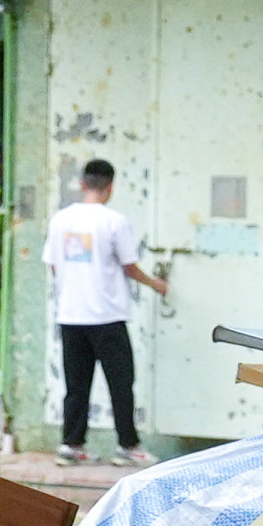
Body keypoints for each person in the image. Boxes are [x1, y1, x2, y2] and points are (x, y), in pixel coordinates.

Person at [45, 160, 169, 464]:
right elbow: (128, 265)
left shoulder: (60, 220)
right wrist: (155, 283)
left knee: (76, 384)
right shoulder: (115, 221)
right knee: (120, 381)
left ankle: (71, 445)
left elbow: (52, 264)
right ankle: (127, 445)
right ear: (111, 187)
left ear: (83, 184)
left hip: (71, 315)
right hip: (107, 316)